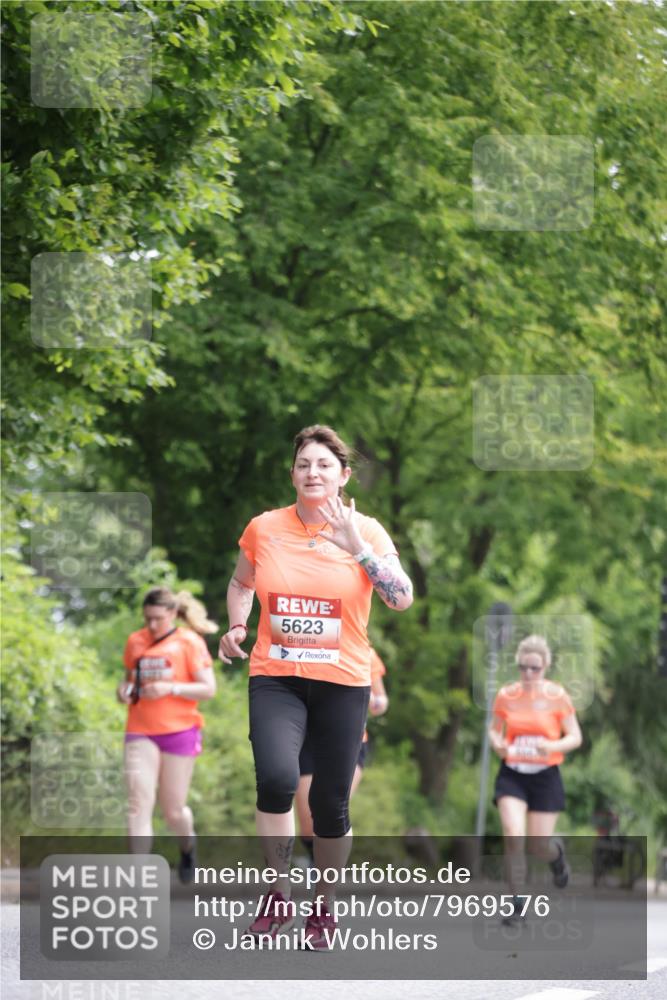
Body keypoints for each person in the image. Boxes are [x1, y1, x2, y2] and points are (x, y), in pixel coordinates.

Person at [218, 424, 413, 949]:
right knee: (278, 780)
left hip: (343, 683)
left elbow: (401, 598)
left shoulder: (367, 532)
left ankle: (323, 907)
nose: (313, 473)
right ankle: (279, 894)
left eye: (324, 465)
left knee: (329, 805)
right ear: (293, 474)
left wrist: (359, 549)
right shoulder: (265, 528)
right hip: (276, 678)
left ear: (344, 476)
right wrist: (237, 625)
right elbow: (242, 583)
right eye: (304, 464)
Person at [117, 587, 217, 883]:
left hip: (180, 731)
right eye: (147, 618)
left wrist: (170, 688)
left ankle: (187, 847)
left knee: (173, 810)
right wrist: (123, 692)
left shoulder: (189, 642)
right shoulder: (135, 641)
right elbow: (127, 682)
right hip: (140, 730)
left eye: (157, 619)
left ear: (173, 614)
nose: (151, 625)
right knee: (138, 802)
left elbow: (208, 689)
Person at [488, 634, 583, 924]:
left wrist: (551, 747)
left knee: (538, 846)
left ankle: (556, 857)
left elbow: (575, 737)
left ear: (546, 667)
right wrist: (499, 744)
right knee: (513, 834)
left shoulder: (557, 696)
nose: (528, 674)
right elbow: (494, 730)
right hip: (513, 773)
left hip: (545, 776)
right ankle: (517, 905)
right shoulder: (507, 695)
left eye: (535, 668)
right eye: (523, 667)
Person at [295, 647, 389, 861]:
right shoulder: (307, 645)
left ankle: (327, 874)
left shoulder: (366, 652)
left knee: (330, 805)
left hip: (351, 739)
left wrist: (377, 702)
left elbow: (382, 699)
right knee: (308, 823)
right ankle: (314, 862)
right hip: (308, 739)